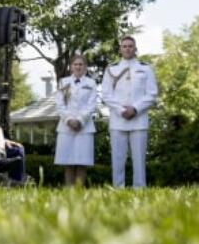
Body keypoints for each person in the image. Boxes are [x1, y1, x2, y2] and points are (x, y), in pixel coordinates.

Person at [100, 35, 158, 188]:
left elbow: (152, 94)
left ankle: (140, 189)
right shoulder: (111, 69)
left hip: (138, 120)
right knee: (118, 159)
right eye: (124, 46)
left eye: (130, 46)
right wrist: (120, 110)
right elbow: (106, 94)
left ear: (135, 49)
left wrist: (135, 108)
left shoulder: (145, 68)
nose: (127, 48)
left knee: (139, 159)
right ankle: (117, 189)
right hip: (118, 121)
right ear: (120, 49)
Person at [54, 54, 97, 187]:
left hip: (85, 127)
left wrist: (80, 120)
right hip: (66, 127)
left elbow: (91, 105)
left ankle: (79, 193)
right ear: (71, 66)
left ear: (85, 67)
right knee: (68, 162)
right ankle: (68, 193)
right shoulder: (63, 82)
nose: (78, 67)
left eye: (81, 64)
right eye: (75, 64)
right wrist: (69, 120)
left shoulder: (91, 83)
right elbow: (59, 104)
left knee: (81, 162)